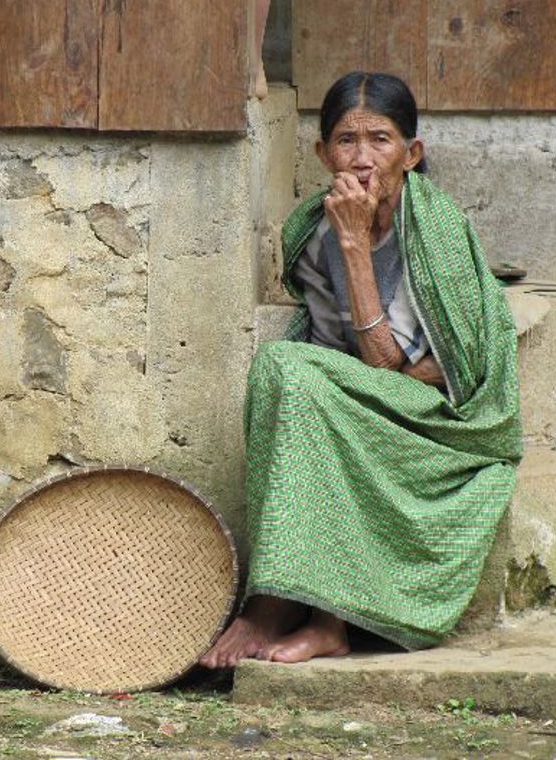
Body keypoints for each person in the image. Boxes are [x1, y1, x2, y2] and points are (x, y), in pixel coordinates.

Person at [201, 72, 522, 667]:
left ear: (412, 153)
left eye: (381, 140)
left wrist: (356, 248)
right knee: (288, 375)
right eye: (347, 141)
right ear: (323, 155)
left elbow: (399, 366)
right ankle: (284, 604)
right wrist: (343, 240)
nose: (364, 158)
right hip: (371, 394)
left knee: (293, 371)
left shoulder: (434, 232)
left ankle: (315, 618)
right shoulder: (315, 231)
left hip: (442, 422)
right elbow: (337, 356)